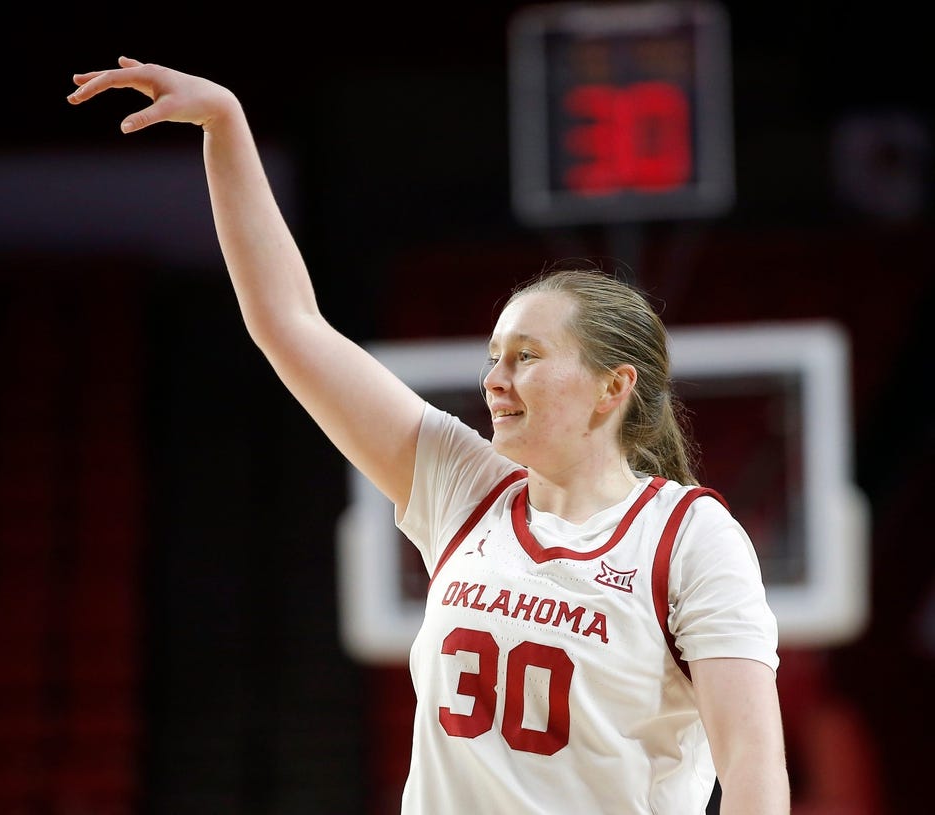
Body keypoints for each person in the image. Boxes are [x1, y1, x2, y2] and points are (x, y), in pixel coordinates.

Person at [67, 56, 791, 814]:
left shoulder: (689, 536)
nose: (495, 379)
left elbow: (752, 772)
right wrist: (227, 128)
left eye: (527, 357)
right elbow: (289, 323)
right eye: (493, 358)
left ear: (614, 387)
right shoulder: (464, 485)